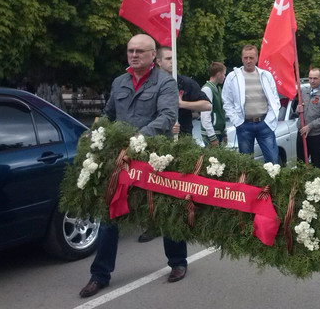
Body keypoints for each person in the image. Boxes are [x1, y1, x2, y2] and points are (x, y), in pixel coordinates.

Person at [79, 34, 188, 299]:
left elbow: (167, 116)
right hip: (121, 159)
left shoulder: (165, 83)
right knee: (110, 215)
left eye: (140, 51)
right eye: (130, 51)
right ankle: (99, 275)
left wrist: (137, 138)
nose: (134, 55)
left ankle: (178, 261)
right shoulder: (119, 82)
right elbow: (108, 114)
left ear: (153, 55)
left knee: (164, 209)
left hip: (154, 158)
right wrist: (96, 132)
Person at [137, 46, 211, 243]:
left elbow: (206, 105)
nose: (172, 61)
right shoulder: (148, 84)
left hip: (182, 140)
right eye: (168, 58)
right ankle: (153, 225)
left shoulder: (184, 83)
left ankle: (183, 222)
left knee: (181, 183)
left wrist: (181, 104)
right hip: (156, 142)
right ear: (158, 61)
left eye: (174, 58)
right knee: (152, 185)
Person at [222, 45, 281, 164]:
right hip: (244, 124)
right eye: (245, 58)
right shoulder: (232, 77)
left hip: (264, 123)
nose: (248, 61)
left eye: (251, 57)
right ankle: (247, 183)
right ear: (241, 58)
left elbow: (274, 100)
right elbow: (226, 101)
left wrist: (269, 120)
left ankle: (270, 182)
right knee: (246, 163)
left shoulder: (266, 76)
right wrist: (237, 121)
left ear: (257, 58)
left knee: (273, 160)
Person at [295, 68, 320, 168]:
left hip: (316, 136)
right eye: (310, 78)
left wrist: (310, 126)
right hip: (301, 134)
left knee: (317, 165)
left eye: (315, 78)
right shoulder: (304, 92)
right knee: (300, 164)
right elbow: (298, 112)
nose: (312, 81)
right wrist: (298, 109)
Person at [200, 62, 228, 146]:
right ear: (218, 74)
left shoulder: (218, 88)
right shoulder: (207, 89)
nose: (224, 77)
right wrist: (212, 136)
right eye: (224, 74)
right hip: (211, 134)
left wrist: (224, 132)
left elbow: (221, 112)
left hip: (218, 132)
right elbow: (205, 115)